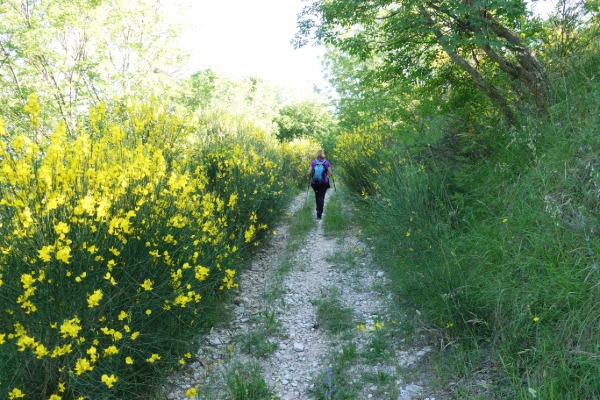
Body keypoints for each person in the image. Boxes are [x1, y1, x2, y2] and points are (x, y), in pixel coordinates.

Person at [308, 149, 333, 219]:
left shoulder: (313, 162)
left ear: (317, 154)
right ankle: (319, 214)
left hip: (314, 183)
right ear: (323, 155)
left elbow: (309, 172)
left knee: (317, 195)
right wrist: (329, 175)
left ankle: (317, 208)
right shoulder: (326, 162)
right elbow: (331, 173)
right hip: (323, 183)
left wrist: (312, 171)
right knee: (321, 197)